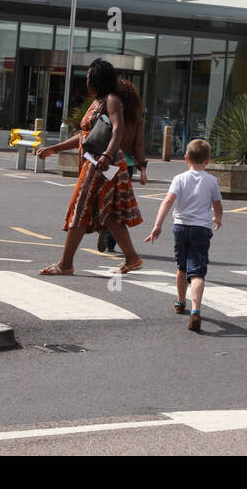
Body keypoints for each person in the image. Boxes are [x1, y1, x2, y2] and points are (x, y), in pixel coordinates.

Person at [36, 58, 145, 276]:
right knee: (110, 214)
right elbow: (84, 136)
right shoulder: (98, 102)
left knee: (80, 207)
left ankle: (66, 264)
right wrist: (53, 149)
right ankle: (132, 258)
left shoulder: (112, 100)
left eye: (88, 77)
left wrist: (106, 154)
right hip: (96, 162)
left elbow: (118, 129)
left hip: (100, 164)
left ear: (97, 79)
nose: (86, 81)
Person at [144, 138, 222, 333]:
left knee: (182, 268)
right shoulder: (211, 180)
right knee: (197, 272)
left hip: (180, 227)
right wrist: (218, 218)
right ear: (207, 160)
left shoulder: (179, 179)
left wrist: (157, 225)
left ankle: (180, 302)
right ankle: (196, 310)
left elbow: (168, 201)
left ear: (186, 159)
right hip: (201, 229)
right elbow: (217, 204)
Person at [102, 77, 148, 254]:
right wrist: (142, 168)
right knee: (118, 203)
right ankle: (110, 241)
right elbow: (139, 144)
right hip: (125, 166)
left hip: (107, 161)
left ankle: (103, 227)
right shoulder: (136, 117)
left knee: (103, 198)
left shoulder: (109, 110)